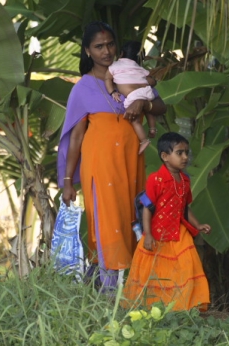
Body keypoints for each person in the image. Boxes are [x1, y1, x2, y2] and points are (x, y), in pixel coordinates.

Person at [57, 21, 167, 292]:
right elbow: (77, 138)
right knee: (107, 223)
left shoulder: (131, 74)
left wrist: (145, 103)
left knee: (131, 220)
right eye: (98, 46)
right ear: (87, 51)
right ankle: (108, 296)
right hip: (100, 166)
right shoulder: (83, 87)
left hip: (131, 165)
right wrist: (68, 180)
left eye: (110, 44)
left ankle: (116, 288)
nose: (106, 51)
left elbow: (161, 106)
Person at [123, 132, 211, 311]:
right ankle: (153, 307)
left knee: (187, 265)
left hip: (180, 232)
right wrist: (147, 235)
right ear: (164, 156)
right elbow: (147, 207)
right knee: (155, 271)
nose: (185, 157)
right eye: (179, 153)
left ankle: (185, 306)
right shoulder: (156, 179)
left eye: (186, 152)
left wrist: (198, 224)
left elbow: (185, 207)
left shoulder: (185, 180)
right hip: (157, 233)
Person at [105, 41, 157, 154]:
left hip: (133, 95)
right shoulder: (138, 67)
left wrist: (112, 92)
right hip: (147, 90)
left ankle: (144, 140)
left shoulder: (114, 65)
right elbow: (151, 79)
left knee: (135, 120)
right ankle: (152, 128)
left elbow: (107, 79)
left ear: (121, 54)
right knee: (148, 109)